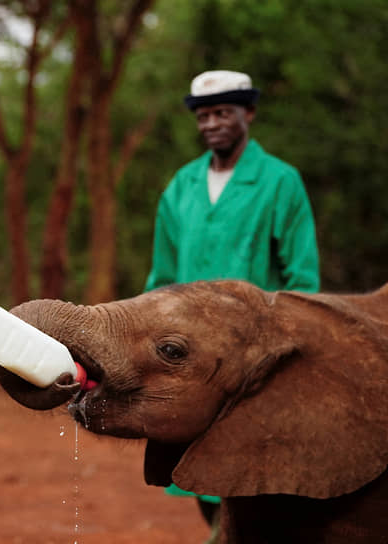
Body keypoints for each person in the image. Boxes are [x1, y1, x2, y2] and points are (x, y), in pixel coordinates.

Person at [144, 70, 320, 538]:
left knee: (254, 473)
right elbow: (161, 278)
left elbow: (303, 278)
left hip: (255, 360)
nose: (213, 123)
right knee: (201, 472)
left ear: (249, 113)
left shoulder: (281, 181)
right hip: (191, 362)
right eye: (204, 115)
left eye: (224, 112)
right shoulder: (182, 186)